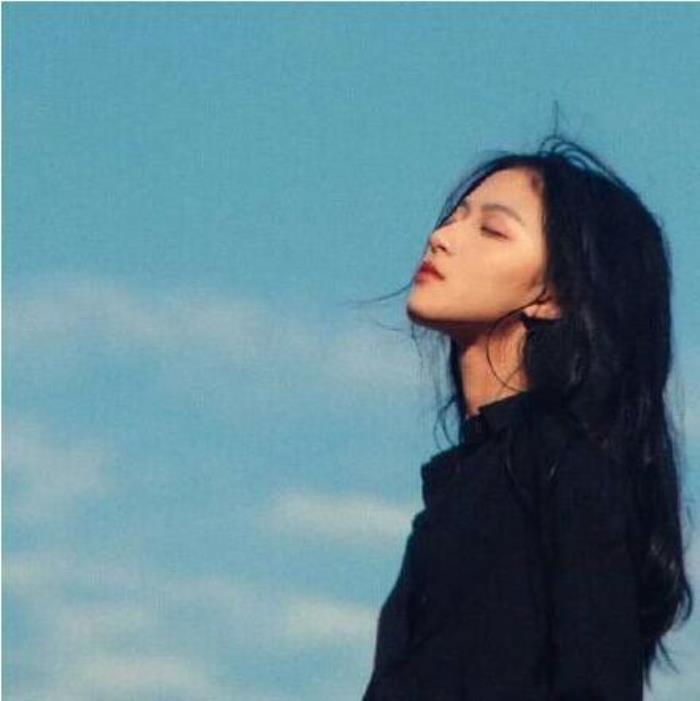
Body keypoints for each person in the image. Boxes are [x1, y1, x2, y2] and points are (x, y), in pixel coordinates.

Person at [359, 133, 694, 700]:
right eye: (454, 218)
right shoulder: (462, 487)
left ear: (554, 295)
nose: (441, 238)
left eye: (491, 230)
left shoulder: (569, 471)